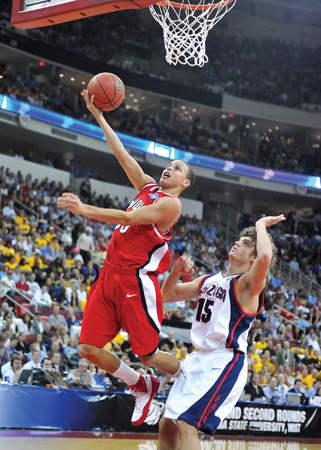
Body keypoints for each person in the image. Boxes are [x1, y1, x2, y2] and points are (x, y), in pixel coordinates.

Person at [57, 90, 196, 426]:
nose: (169, 168)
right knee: (87, 350)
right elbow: (123, 156)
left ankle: (192, 376)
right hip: (109, 276)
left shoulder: (171, 205)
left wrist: (84, 208)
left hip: (136, 281)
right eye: (169, 164)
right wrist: (100, 116)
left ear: (185, 182)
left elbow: (127, 218)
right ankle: (140, 385)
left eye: (176, 168)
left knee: (147, 354)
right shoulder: (148, 188)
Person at [158, 215, 284, 449]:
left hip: (225, 360)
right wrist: (175, 272)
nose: (238, 243)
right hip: (198, 359)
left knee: (187, 423)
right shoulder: (209, 280)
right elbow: (168, 295)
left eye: (246, 244)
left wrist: (260, 225)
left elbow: (266, 256)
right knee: (167, 423)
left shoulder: (248, 284)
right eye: (240, 239)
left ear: (253, 258)